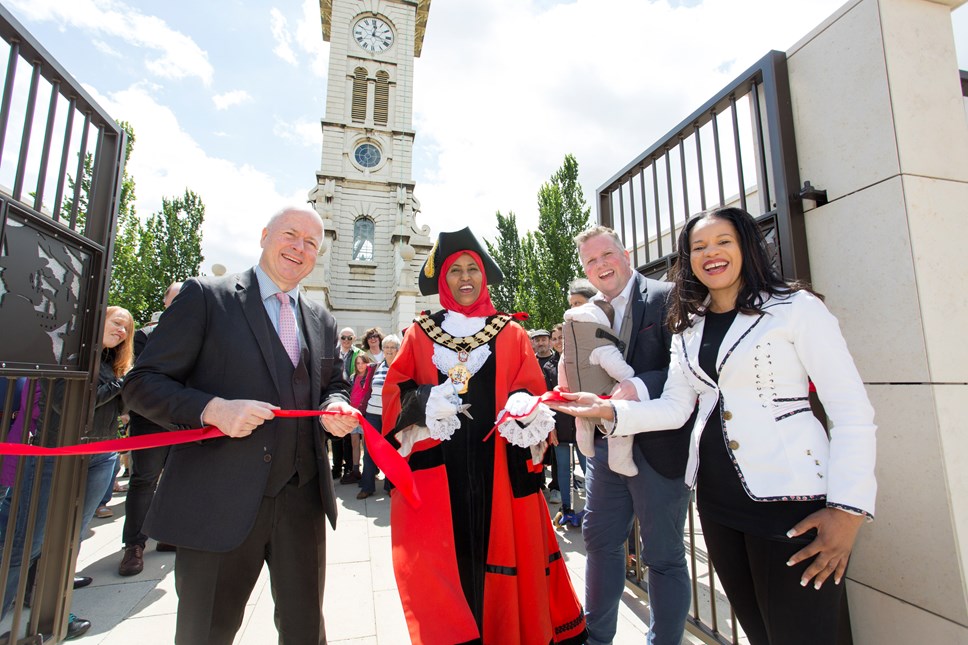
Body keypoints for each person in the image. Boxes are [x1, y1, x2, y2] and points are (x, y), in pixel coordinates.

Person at [552, 207, 876, 644]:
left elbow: (852, 411)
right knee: (761, 633)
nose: (711, 253)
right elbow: (674, 407)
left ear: (745, 245)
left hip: (792, 502)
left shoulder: (795, 308)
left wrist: (848, 509)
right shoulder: (690, 325)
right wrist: (606, 410)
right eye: (699, 247)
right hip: (719, 505)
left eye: (723, 241)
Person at [122, 206, 358, 645]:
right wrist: (212, 408)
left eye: (311, 243)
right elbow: (141, 384)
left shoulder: (321, 318)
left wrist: (337, 407)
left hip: (302, 503)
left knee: (306, 632)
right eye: (291, 234)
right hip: (218, 502)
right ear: (265, 234)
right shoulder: (206, 297)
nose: (300, 248)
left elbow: (334, 384)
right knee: (206, 634)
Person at [382, 227, 587, 645]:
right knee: (445, 572)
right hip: (440, 476)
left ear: (483, 276)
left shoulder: (509, 332)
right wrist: (424, 401)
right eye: (454, 270)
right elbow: (393, 393)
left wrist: (523, 406)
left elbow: (530, 389)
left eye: (472, 268)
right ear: (442, 279)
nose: (464, 278)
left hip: (499, 474)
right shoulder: (420, 333)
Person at [566, 225, 693, 645]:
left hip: (658, 450)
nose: (600, 266)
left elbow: (681, 370)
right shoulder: (589, 312)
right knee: (600, 543)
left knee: (663, 558)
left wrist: (636, 386)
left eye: (606, 255)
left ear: (626, 252)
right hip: (605, 449)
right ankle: (597, 638)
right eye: (590, 262)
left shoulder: (666, 296)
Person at [118, 281, 183, 577]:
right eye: (177, 297)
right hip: (152, 423)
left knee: (175, 480)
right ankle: (134, 544)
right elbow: (142, 381)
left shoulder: (200, 337)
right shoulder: (145, 337)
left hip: (186, 425)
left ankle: (168, 533)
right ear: (166, 301)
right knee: (144, 481)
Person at [357, 334, 400, 499]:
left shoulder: (401, 366)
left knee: (391, 451)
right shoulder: (376, 367)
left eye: (392, 347)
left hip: (391, 415)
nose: (389, 350)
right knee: (369, 450)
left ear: (397, 350)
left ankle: (391, 486)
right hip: (372, 414)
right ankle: (367, 486)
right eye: (386, 347)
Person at [342, 353, 375, 484]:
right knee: (354, 442)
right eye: (358, 363)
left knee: (366, 445)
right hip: (353, 414)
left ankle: (370, 470)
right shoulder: (352, 377)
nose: (360, 365)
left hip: (365, 414)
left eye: (363, 362)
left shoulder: (370, 377)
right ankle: (356, 470)